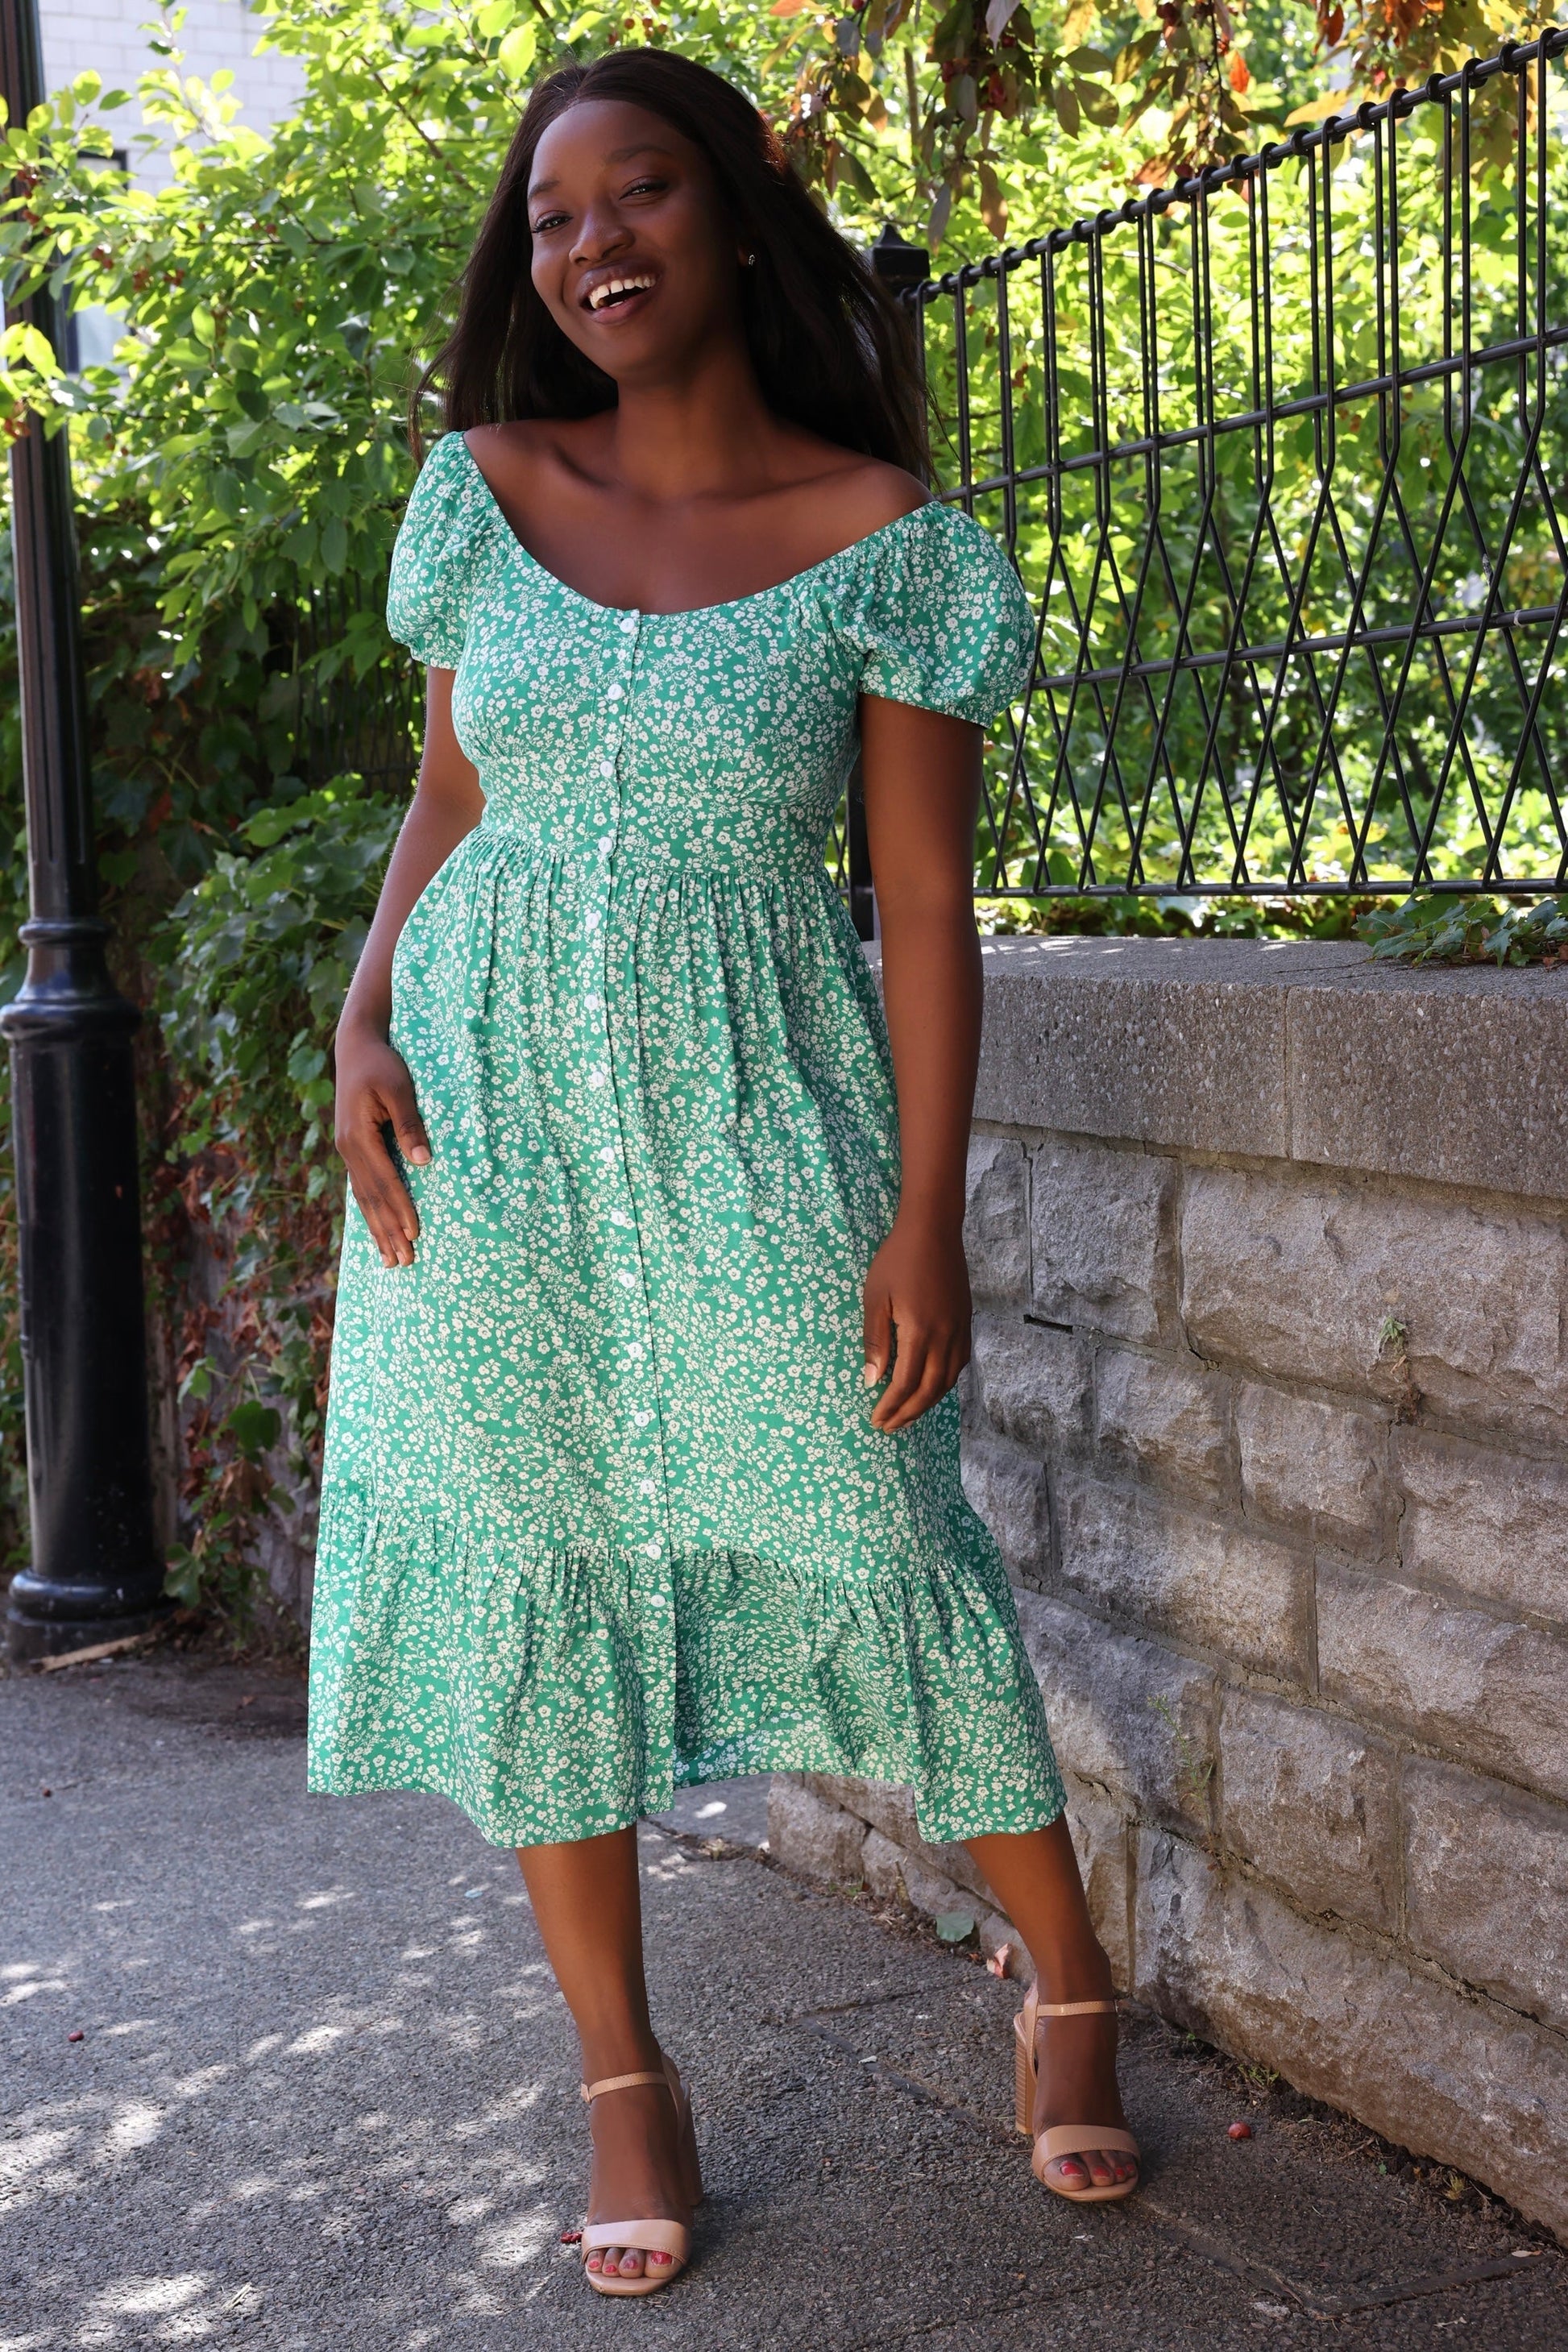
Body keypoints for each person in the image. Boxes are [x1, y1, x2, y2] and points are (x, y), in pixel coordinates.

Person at [308, 44, 1138, 2300]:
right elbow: (450, 798)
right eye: (553, 215)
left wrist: (922, 1213)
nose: (593, 244)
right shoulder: (482, 490)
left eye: (640, 192)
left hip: (759, 1109)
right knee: (532, 1560)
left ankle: (1066, 1980)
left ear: (734, 212)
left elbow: (925, 904)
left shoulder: (885, 542)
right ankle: (624, 2080)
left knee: (879, 1525)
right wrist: (364, 1014)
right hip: (481, 1119)